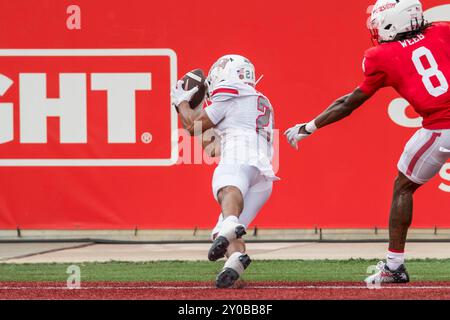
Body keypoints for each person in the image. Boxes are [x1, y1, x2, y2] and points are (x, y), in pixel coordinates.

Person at [284, 0, 449, 284]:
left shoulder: (381, 56)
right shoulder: (443, 31)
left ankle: (394, 266)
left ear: (392, 23)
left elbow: (348, 103)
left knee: (403, 186)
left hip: (439, 128)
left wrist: (309, 126)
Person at [171, 55, 278, 288]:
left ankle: (230, 224)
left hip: (240, 159)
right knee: (222, 231)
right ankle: (235, 264)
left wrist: (182, 102)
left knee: (225, 189)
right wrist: (195, 109)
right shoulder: (257, 99)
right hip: (263, 177)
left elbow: (192, 126)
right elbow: (212, 147)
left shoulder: (232, 92)